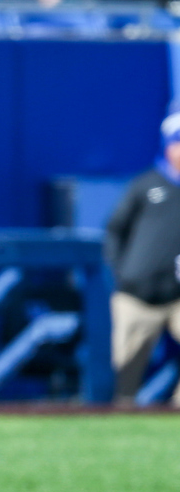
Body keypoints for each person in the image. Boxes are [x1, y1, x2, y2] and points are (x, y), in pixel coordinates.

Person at [105, 112, 180, 404]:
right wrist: (124, 273)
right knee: (127, 369)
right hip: (137, 294)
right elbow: (114, 230)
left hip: (177, 294)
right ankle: (122, 419)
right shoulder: (146, 185)